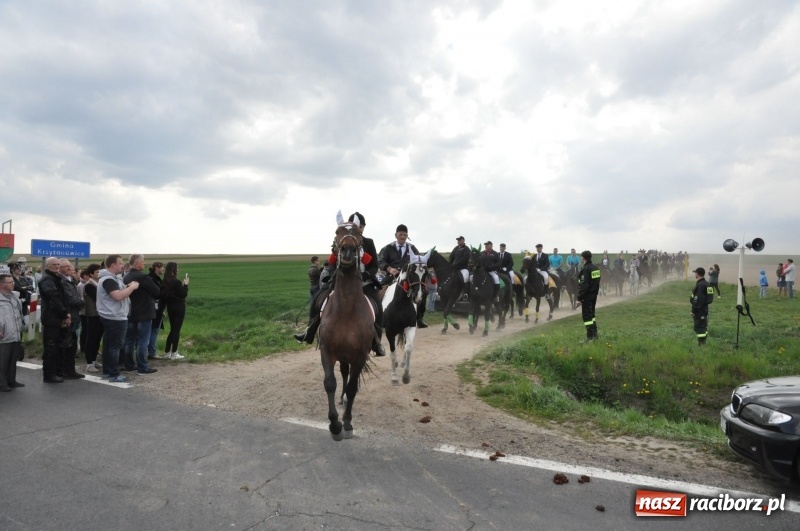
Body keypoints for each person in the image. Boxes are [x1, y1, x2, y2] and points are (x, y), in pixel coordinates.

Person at [294, 212, 386, 356]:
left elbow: (374, 266)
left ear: (363, 227)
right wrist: (330, 273)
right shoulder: (341, 240)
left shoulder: (369, 242)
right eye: (357, 226)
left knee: (378, 306)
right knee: (318, 298)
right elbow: (332, 261)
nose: (359, 229)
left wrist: (364, 275)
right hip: (340, 282)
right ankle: (309, 331)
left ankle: (377, 342)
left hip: (364, 284)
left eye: (361, 227)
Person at [378, 223, 429, 328]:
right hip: (392, 277)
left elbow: (419, 260)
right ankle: (378, 317)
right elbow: (380, 260)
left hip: (409, 279)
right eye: (400, 234)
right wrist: (389, 268)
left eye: (405, 235)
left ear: (407, 236)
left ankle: (419, 318)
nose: (402, 237)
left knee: (424, 292)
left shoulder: (412, 248)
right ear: (396, 235)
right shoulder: (388, 248)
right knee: (378, 291)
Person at [97, 255, 138, 382]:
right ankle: (114, 373)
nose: (122, 265)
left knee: (109, 345)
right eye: (120, 263)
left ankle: (108, 370)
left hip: (111, 315)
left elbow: (117, 292)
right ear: (113, 265)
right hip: (115, 317)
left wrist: (126, 287)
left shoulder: (111, 279)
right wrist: (132, 288)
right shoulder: (109, 280)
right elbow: (117, 296)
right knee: (115, 346)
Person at [38, 257, 75, 383]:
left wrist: (66, 314)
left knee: (60, 347)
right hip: (51, 319)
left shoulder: (56, 278)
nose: (57, 266)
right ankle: (49, 375)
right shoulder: (47, 279)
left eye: (58, 264)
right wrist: (65, 315)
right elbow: (54, 298)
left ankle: (58, 372)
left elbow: (63, 299)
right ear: (47, 266)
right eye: (54, 264)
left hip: (59, 317)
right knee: (51, 348)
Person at [122, 255, 159, 375]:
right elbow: (156, 291)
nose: (144, 264)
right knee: (143, 340)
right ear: (137, 263)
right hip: (144, 312)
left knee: (129, 340)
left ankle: (128, 365)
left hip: (130, 312)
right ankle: (142, 367)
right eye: (142, 262)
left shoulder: (126, 276)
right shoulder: (143, 277)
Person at [59, 259, 85, 378]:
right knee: (69, 344)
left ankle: (69, 369)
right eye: (66, 266)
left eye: (70, 266)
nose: (70, 268)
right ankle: (67, 370)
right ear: (60, 268)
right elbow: (71, 299)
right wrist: (82, 302)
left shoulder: (70, 280)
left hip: (74, 315)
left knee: (72, 343)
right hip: (69, 315)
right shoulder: (62, 281)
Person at [0, 274, 26, 391]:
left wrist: (22, 325)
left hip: (15, 332)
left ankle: (11, 380)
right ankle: (2, 383)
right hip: (3, 334)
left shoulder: (15, 296)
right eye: (10, 282)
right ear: (2, 285)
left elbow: (19, 313)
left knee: (12, 358)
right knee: (2, 360)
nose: (13, 284)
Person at [161, 262, 189, 360]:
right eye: (177, 268)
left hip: (170, 306)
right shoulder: (176, 282)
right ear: (173, 269)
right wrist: (185, 285)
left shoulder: (165, 281)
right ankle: (174, 353)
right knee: (176, 330)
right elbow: (183, 294)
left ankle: (167, 352)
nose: (178, 270)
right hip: (179, 307)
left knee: (172, 329)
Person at [82, 263, 104, 373]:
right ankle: (89, 363)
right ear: (91, 274)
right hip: (92, 314)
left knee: (97, 339)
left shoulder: (99, 283)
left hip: (100, 314)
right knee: (91, 338)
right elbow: (99, 297)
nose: (99, 273)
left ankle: (94, 360)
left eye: (99, 271)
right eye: (96, 272)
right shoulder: (89, 285)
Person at [576, 251, 600, 341]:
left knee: (587, 317)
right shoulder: (596, 268)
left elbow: (584, 285)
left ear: (583, 258)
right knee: (592, 315)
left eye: (581, 257)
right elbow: (597, 283)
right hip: (594, 295)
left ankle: (590, 337)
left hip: (587, 296)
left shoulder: (585, 269)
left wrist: (579, 298)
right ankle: (595, 335)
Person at [147, 262, 166, 360]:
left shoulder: (153, 278)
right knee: (153, 330)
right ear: (156, 268)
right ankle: (152, 352)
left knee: (151, 330)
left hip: (156, 308)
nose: (163, 269)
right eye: (162, 267)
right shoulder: (153, 279)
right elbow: (156, 295)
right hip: (154, 309)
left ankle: (150, 351)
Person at [690, 267, 713, 347]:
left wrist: (694, 311)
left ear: (698, 274)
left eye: (695, 273)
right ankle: (703, 343)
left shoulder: (700, 285)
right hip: (704, 309)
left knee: (699, 327)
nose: (695, 274)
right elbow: (710, 299)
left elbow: (697, 300)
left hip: (699, 310)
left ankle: (701, 345)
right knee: (703, 326)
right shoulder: (707, 284)